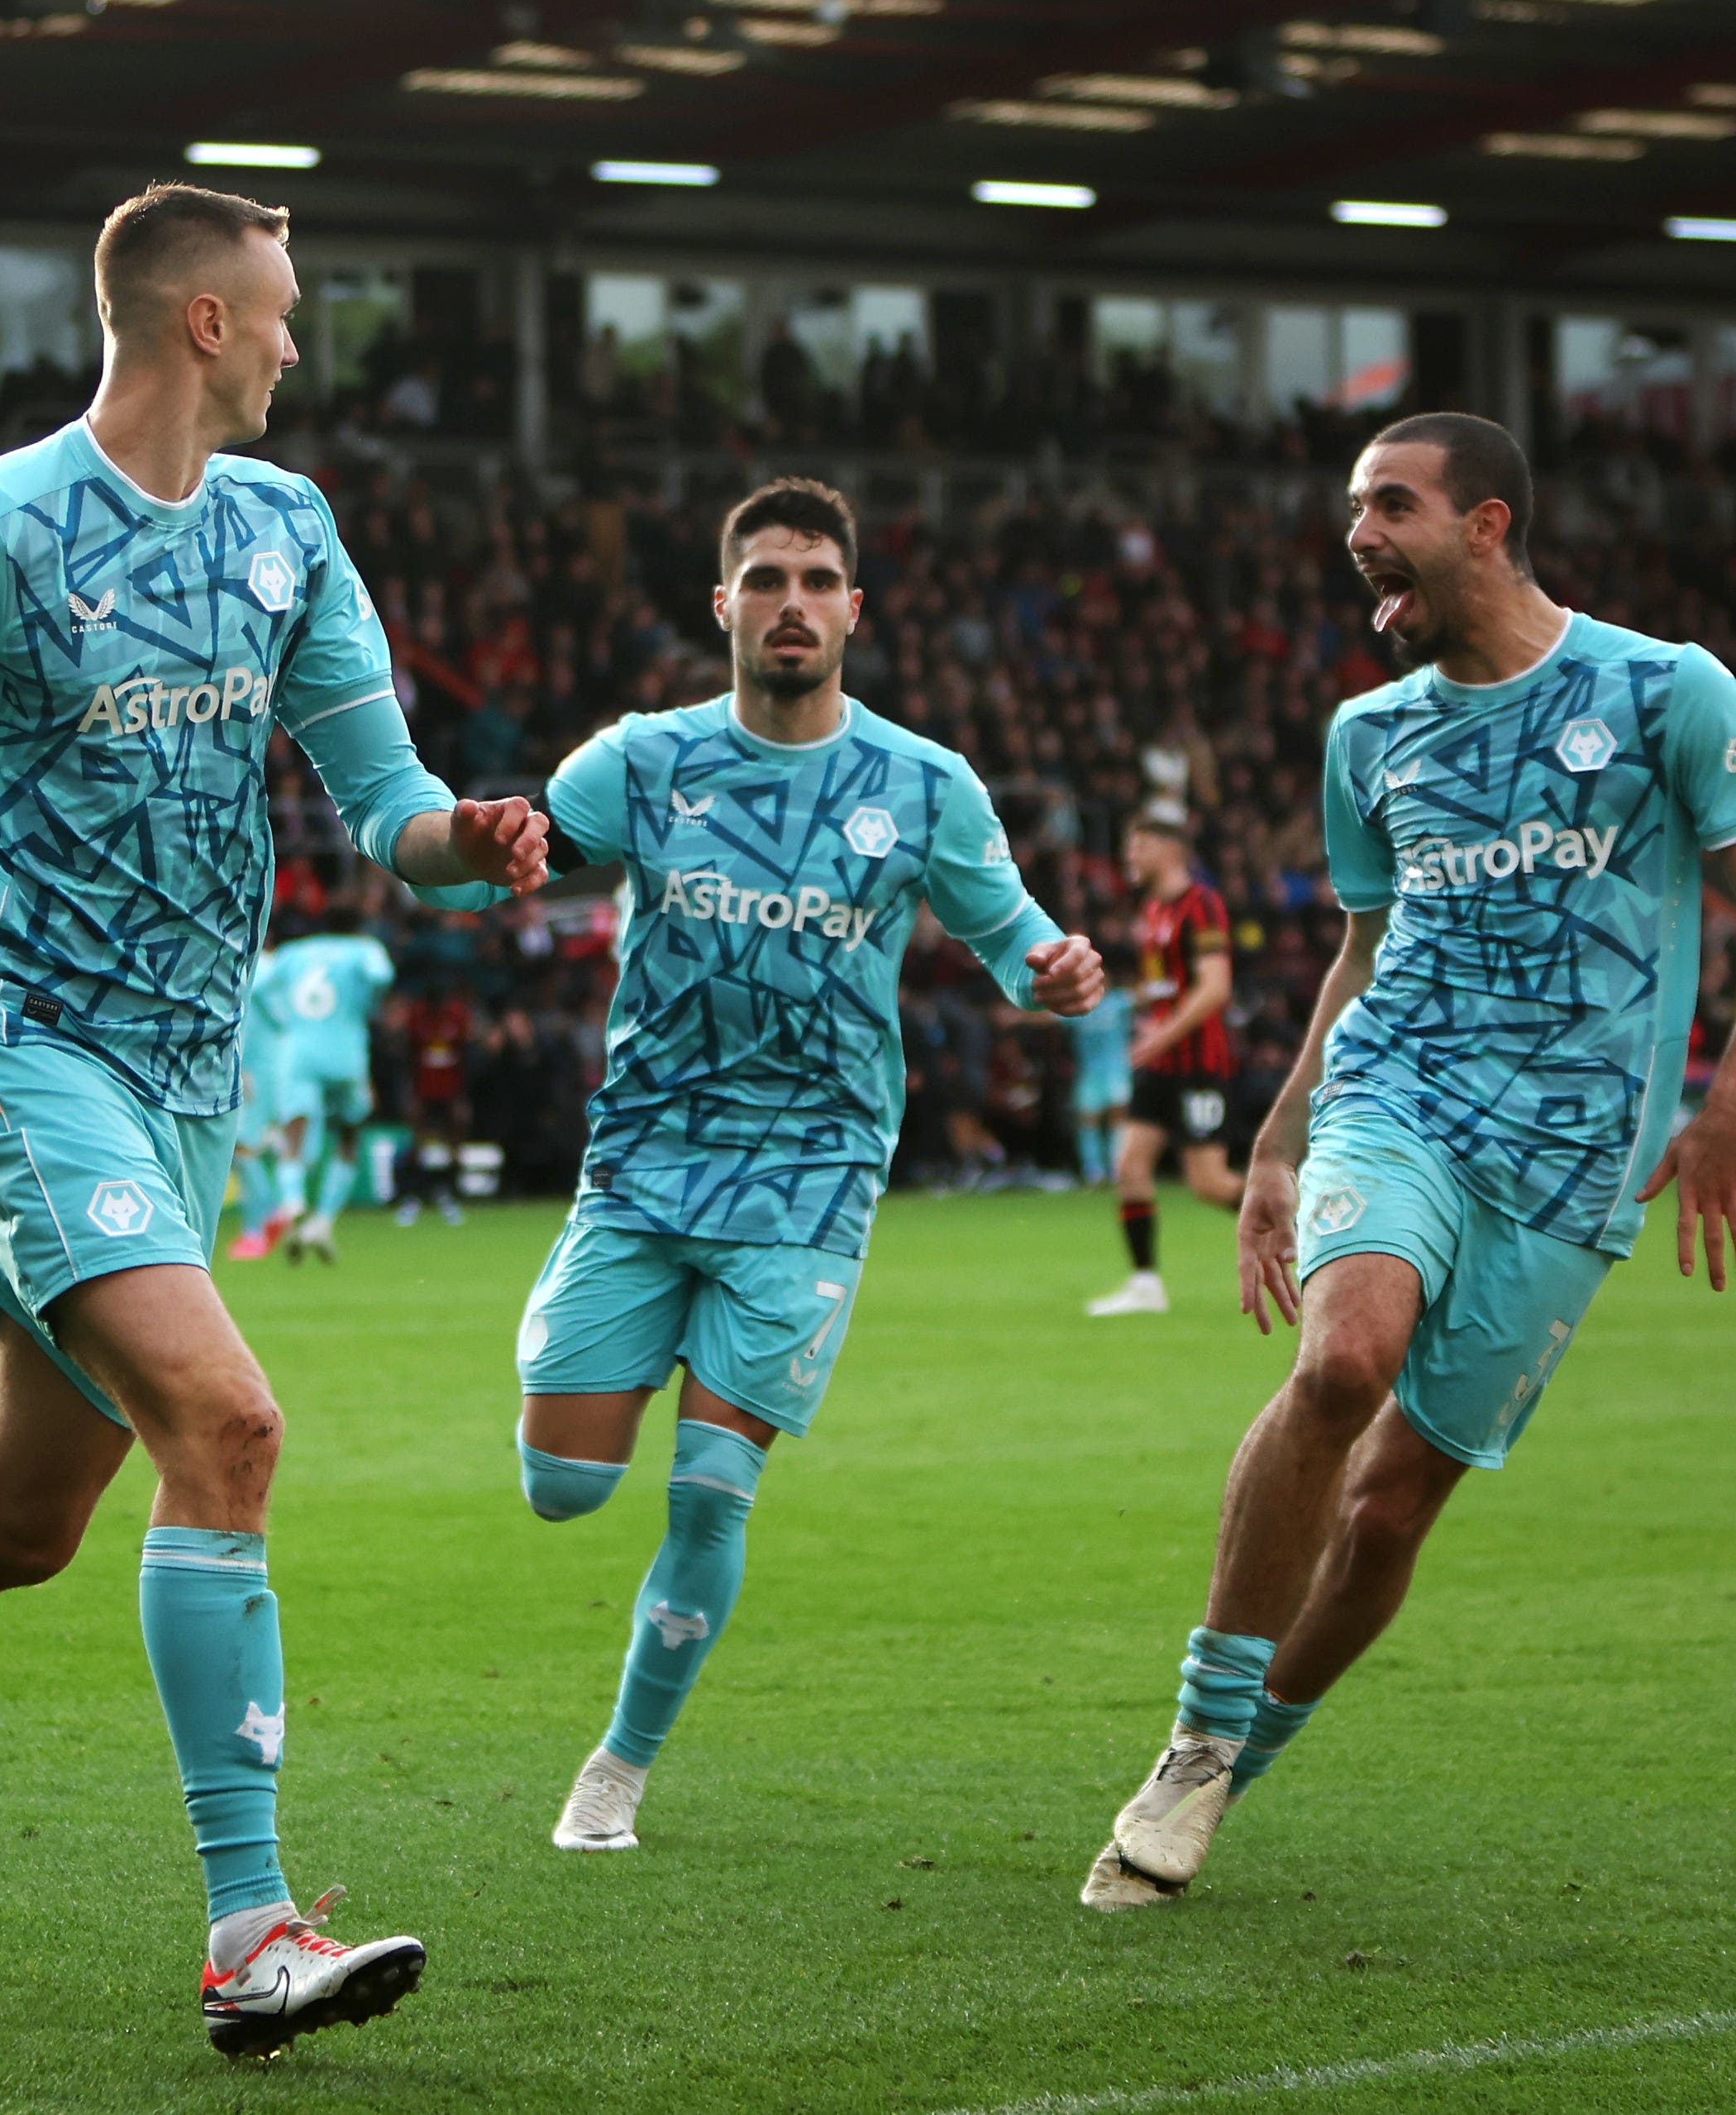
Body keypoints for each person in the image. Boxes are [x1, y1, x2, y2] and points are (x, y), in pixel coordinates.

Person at [0, 182, 549, 2057]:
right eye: (286, 309)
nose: (304, 340)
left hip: (184, 1077)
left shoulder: (292, 530)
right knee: (229, 1420)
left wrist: (467, 845)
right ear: (202, 320)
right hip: (13, 1048)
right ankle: (250, 1929)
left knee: (15, 1525)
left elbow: (382, 801)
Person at [1080, 413, 1736, 1911]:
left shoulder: (1666, 691)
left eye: (1390, 503)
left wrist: (1732, 1105)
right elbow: (1364, 947)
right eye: (1352, 504)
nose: (1357, 529)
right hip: (1399, 1092)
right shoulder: (1368, 731)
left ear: (1485, 523)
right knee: (1344, 1363)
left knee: (1389, 1511)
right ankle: (1192, 1736)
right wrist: (1282, 1133)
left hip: (1572, 1161)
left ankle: (1243, 1759)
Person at [433, 479, 1104, 1854]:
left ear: (853, 608)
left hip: (809, 1180)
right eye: (764, 579)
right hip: (643, 1160)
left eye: (814, 580)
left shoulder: (923, 785)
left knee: (708, 1489)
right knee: (561, 1486)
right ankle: (638, 1348)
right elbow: (501, 864)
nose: (789, 603)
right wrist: (479, 845)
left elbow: (1018, 942)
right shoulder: (639, 762)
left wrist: (1057, 972)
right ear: (723, 605)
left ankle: (617, 1768)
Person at [1085, 814, 1240, 1316]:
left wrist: (1160, 1036)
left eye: (1140, 846)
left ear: (1171, 849)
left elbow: (1215, 988)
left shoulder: (1202, 904)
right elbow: (1163, 985)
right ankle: (1146, 1284)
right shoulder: (1150, 908)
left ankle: (1309, 1217)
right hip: (1160, 1063)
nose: (1131, 856)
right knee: (1129, 1166)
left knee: (1210, 1185)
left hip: (1198, 1065)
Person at [262, 900, 394, 1263]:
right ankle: (322, 1220)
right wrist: (366, 1005)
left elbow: (259, 987)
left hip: (298, 1051)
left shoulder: (293, 953)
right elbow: (382, 976)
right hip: (345, 1052)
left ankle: (292, 1200)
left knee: (294, 1134)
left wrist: (283, 1021)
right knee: (348, 1134)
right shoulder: (365, 949)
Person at [221, 938, 297, 1260]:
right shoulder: (280, 969)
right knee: (265, 1145)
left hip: (257, 1069)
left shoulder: (251, 969)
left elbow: (243, 1023)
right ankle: (277, 1208)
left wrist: (242, 1067)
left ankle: (260, 1226)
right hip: (283, 1066)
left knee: (243, 1147)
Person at [1066, 977, 1136, 1187]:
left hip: (1117, 1070)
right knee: (1088, 1120)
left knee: (1118, 1118)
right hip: (1090, 1073)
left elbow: (1143, 995)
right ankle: (1093, 1171)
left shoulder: (1118, 1001)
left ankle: (1118, 1170)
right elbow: (1048, 1017)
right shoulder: (1077, 1008)